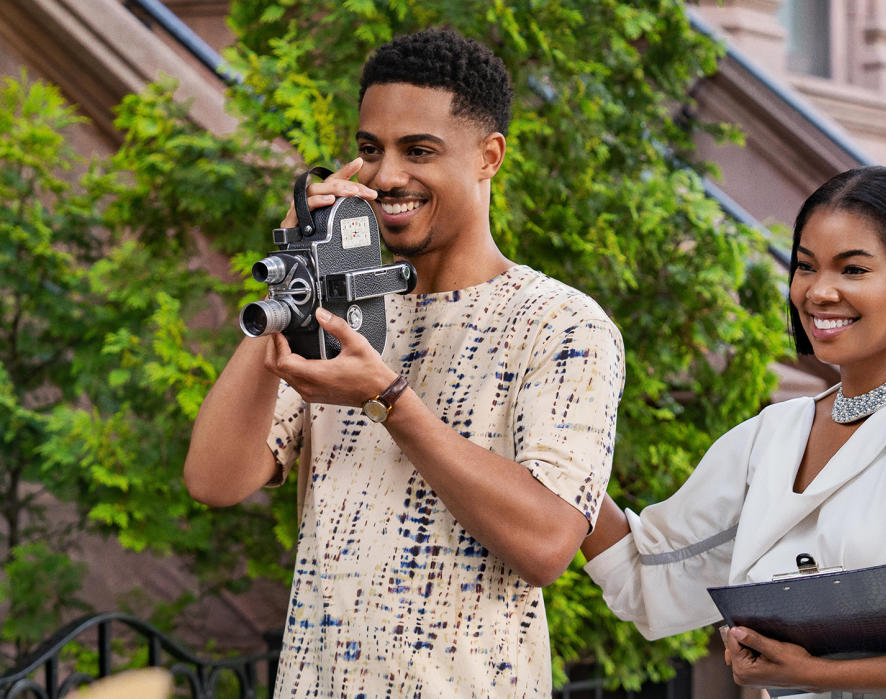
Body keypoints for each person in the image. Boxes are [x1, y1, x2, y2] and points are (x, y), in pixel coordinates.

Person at [183, 29, 625, 697]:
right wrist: (296, 281)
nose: (387, 176)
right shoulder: (341, 315)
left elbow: (547, 543)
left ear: (489, 156)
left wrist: (390, 399)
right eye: (370, 149)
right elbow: (214, 479)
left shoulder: (562, 323)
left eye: (418, 150)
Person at [581, 166, 886, 698]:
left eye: (853, 270)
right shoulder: (771, 437)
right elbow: (646, 576)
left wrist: (813, 674)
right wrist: (550, 455)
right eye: (805, 267)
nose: (819, 292)